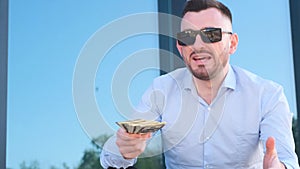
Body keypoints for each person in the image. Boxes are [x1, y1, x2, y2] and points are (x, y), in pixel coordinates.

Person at [100, 0, 299, 168]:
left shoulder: (267, 95)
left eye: (210, 34)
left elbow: (287, 161)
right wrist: (124, 150)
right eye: (188, 37)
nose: (197, 45)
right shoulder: (161, 90)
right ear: (180, 47)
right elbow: (112, 157)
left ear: (233, 43)